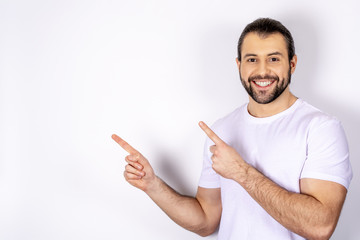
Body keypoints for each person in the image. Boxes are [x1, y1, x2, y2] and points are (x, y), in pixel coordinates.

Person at [112, 18, 352, 240]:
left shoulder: (321, 128)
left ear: (293, 63)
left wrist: (240, 172)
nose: (262, 70)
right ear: (239, 65)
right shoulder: (222, 129)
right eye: (252, 59)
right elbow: (206, 221)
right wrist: (153, 186)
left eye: (274, 58)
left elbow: (320, 227)